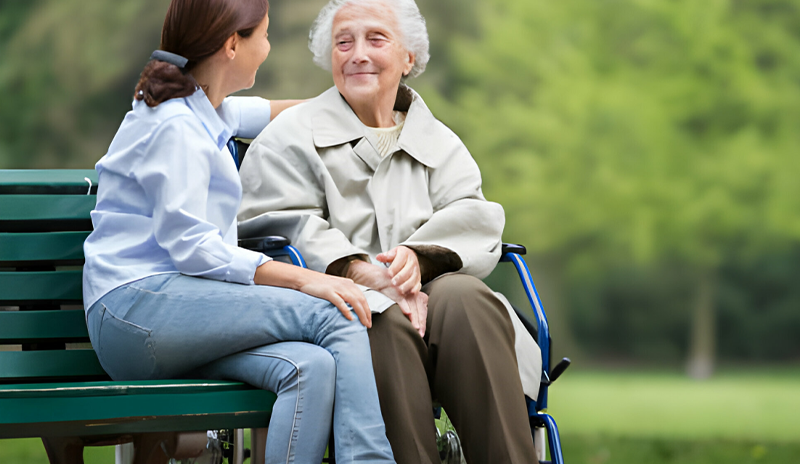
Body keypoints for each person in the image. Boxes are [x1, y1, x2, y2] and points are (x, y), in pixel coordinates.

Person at [82, 0, 396, 462]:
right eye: (264, 36)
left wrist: (370, 95)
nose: (267, 48)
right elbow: (192, 248)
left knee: (309, 367)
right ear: (233, 44)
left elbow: (287, 112)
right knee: (338, 311)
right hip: (137, 311)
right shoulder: (175, 126)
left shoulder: (206, 109)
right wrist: (305, 278)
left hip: (181, 316)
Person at [237, 0, 542, 462]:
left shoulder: (440, 141)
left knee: (468, 299)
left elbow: (477, 218)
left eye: (376, 39)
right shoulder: (288, 137)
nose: (358, 53)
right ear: (331, 57)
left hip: (431, 303)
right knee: (375, 320)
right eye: (344, 42)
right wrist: (361, 272)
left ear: (408, 57)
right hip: (336, 305)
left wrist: (417, 259)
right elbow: (276, 224)